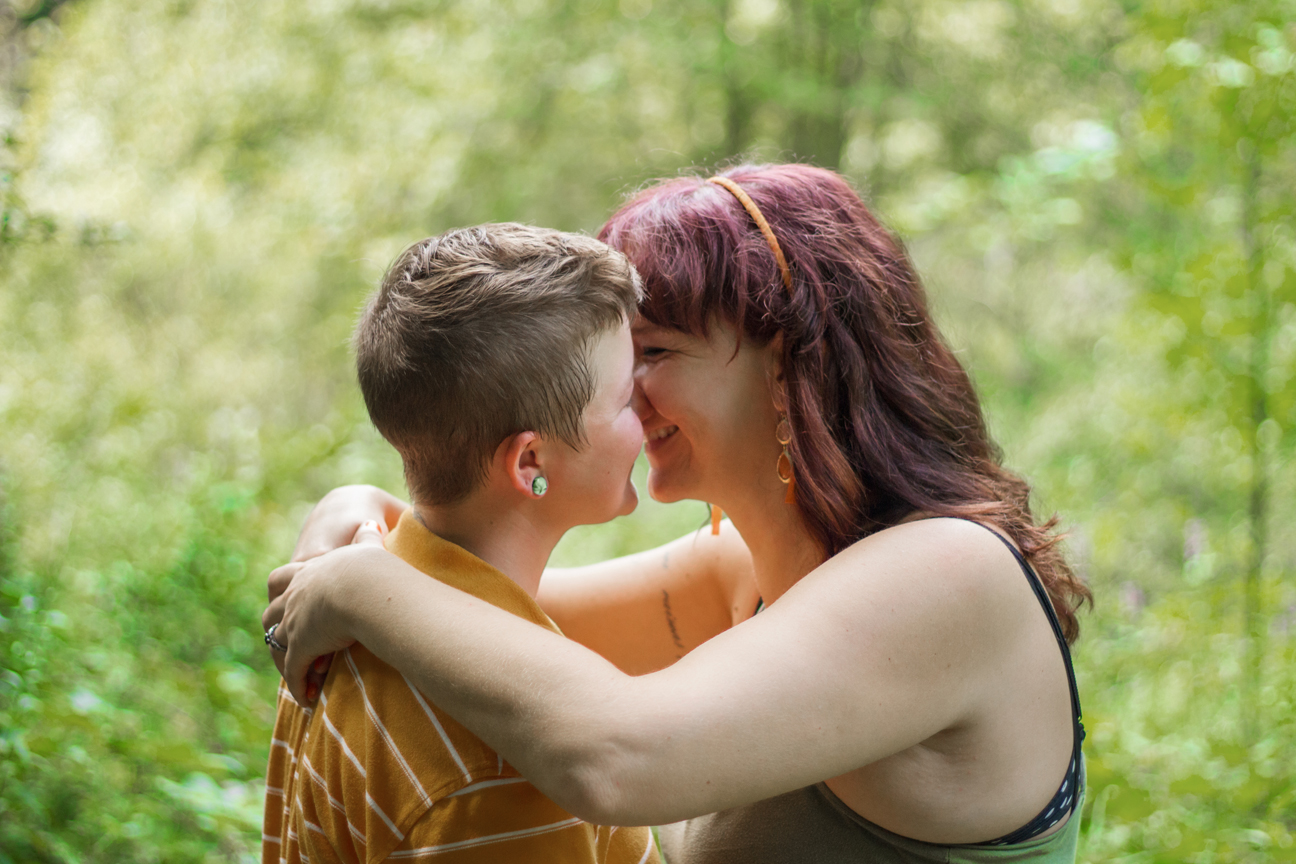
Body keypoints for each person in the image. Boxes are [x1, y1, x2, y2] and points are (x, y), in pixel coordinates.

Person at [263, 164, 1092, 862]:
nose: (621, 391)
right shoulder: (747, 566)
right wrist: (362, 509)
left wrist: (358, 587)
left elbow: (613, 757)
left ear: (788, 366)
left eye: (652, 351)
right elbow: (484, 612)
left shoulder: (952, 577)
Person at [260, 223, 660, 864]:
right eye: (623, 400)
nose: (649, 406)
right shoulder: (506, 772)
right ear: (530, 462)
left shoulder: (334, 615)